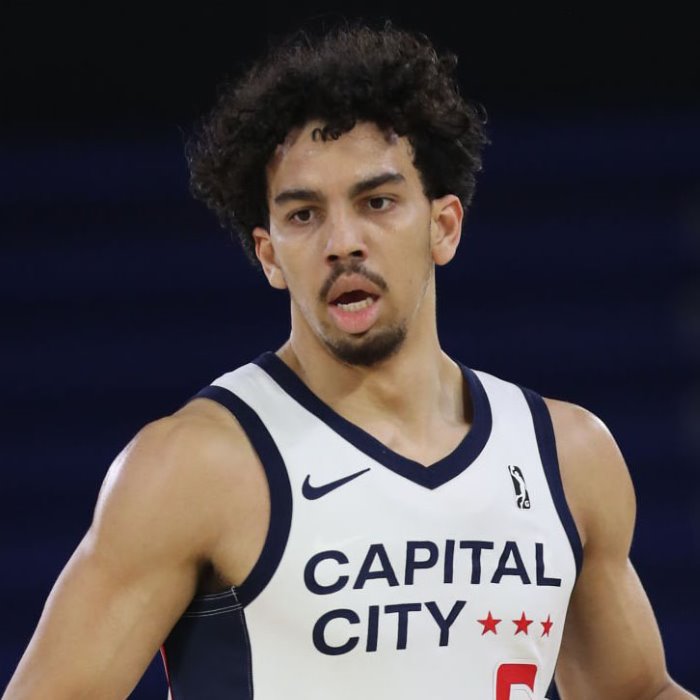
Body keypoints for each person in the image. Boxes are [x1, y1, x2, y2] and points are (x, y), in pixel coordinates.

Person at [3, 21, 696, 700]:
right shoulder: (193, 467)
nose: (342, 242)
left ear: (443, 226)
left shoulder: (567, 456)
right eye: (303, 215)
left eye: (377, 202)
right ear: (270, 255)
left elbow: (634, 690)